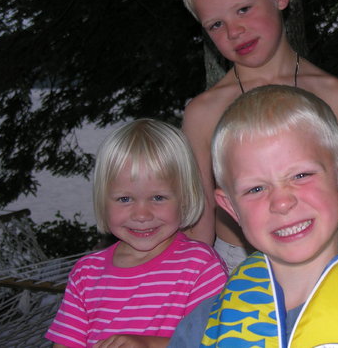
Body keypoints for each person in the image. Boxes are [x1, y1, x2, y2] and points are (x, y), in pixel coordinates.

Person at [168, 85, 338, 347]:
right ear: (231, 208)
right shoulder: (203, 329)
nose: (282, 202)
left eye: (301, 175)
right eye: (256, 189)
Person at [179, 0, 338, 271]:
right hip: (236, 267)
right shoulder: (203, 114)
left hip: (326, 259)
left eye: (243, 9)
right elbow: (198, 230)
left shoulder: (336, 97)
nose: (234, 31)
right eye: (216, 25)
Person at [45, 119, 228, 348]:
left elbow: (216, 341)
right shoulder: (85, 274)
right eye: (125, 199)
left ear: (185, 199)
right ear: (103, 201)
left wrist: (149, 344)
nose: (142, 215)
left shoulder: (200, 266)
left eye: (158, 198)